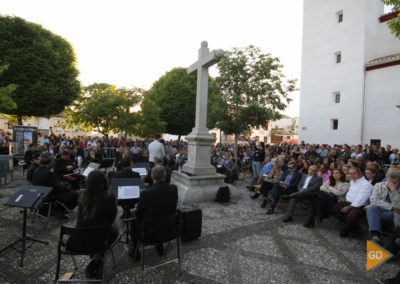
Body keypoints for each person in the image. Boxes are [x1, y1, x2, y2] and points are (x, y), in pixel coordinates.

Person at [68, 170, 118, 279]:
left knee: (99, 231)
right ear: (105, 181)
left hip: (78, 241)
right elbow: (111, 219)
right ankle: (97, 260)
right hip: (100, 239)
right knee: (113, 231)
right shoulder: (109, 197)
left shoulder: (82, 196)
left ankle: (96, 261)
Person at [129, 166, 178, 259]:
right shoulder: (174, 189)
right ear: (165, 176)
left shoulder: (145, 193)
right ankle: (160, 246)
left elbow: (139, 214)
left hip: (149, 233)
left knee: (134, 221)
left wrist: (134, 211)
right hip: (170, 230)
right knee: (160, 214)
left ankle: (135, 251)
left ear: (152, 177)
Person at [32, 152, 79, 219]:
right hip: (49, 195)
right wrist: (68, 189)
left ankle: (59, 210)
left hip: (40, 193)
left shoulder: (36, 170)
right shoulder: (48, 173)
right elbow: (57, 188)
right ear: (50, 161)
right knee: (74, 194)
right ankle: (63, 211)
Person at [331, 166, 374, 237]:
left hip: (359, 206)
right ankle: (355, 227)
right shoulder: (352, 181)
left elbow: (360, 200)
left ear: (360, 173)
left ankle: (345, 232)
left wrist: (348, 207)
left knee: (351, 216)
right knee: (333, 210)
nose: (352, 175)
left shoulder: (366, 184)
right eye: (350, 174)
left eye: (354, 173)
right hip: (347, 202)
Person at [366, 169, 400, 249]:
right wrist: (391, 207)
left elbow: (398, 207)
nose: (391, 184)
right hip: (382, 210)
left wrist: (394, 191)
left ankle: (373, 240)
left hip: (394, 214)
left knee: (373, 217)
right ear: (387, 178)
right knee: (371, 207)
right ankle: (375, 235)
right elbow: (373, 200)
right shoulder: (379, 185)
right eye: (390, 181)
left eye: (395, 182)